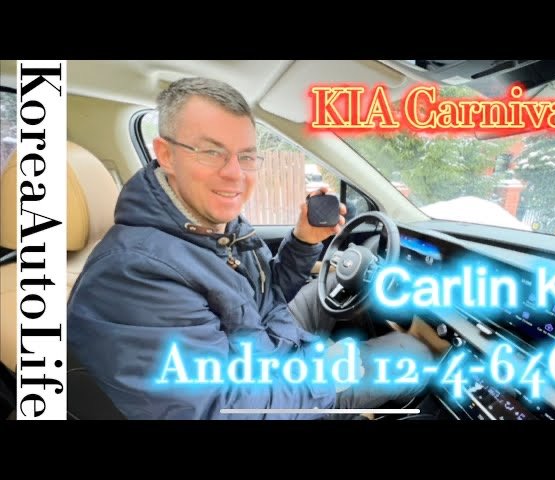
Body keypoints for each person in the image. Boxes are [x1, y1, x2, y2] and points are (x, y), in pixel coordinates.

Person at [67, 77, 434, 420]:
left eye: (245, 156)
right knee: (413, 355)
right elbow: (226, 407)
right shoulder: (132, 274)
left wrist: (303, 241)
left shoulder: (210, 224)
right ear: (165, 153)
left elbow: (261, 294)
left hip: (263, 345)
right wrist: (325, 372)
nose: (235, 174)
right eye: (211, 152)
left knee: (325, 289)